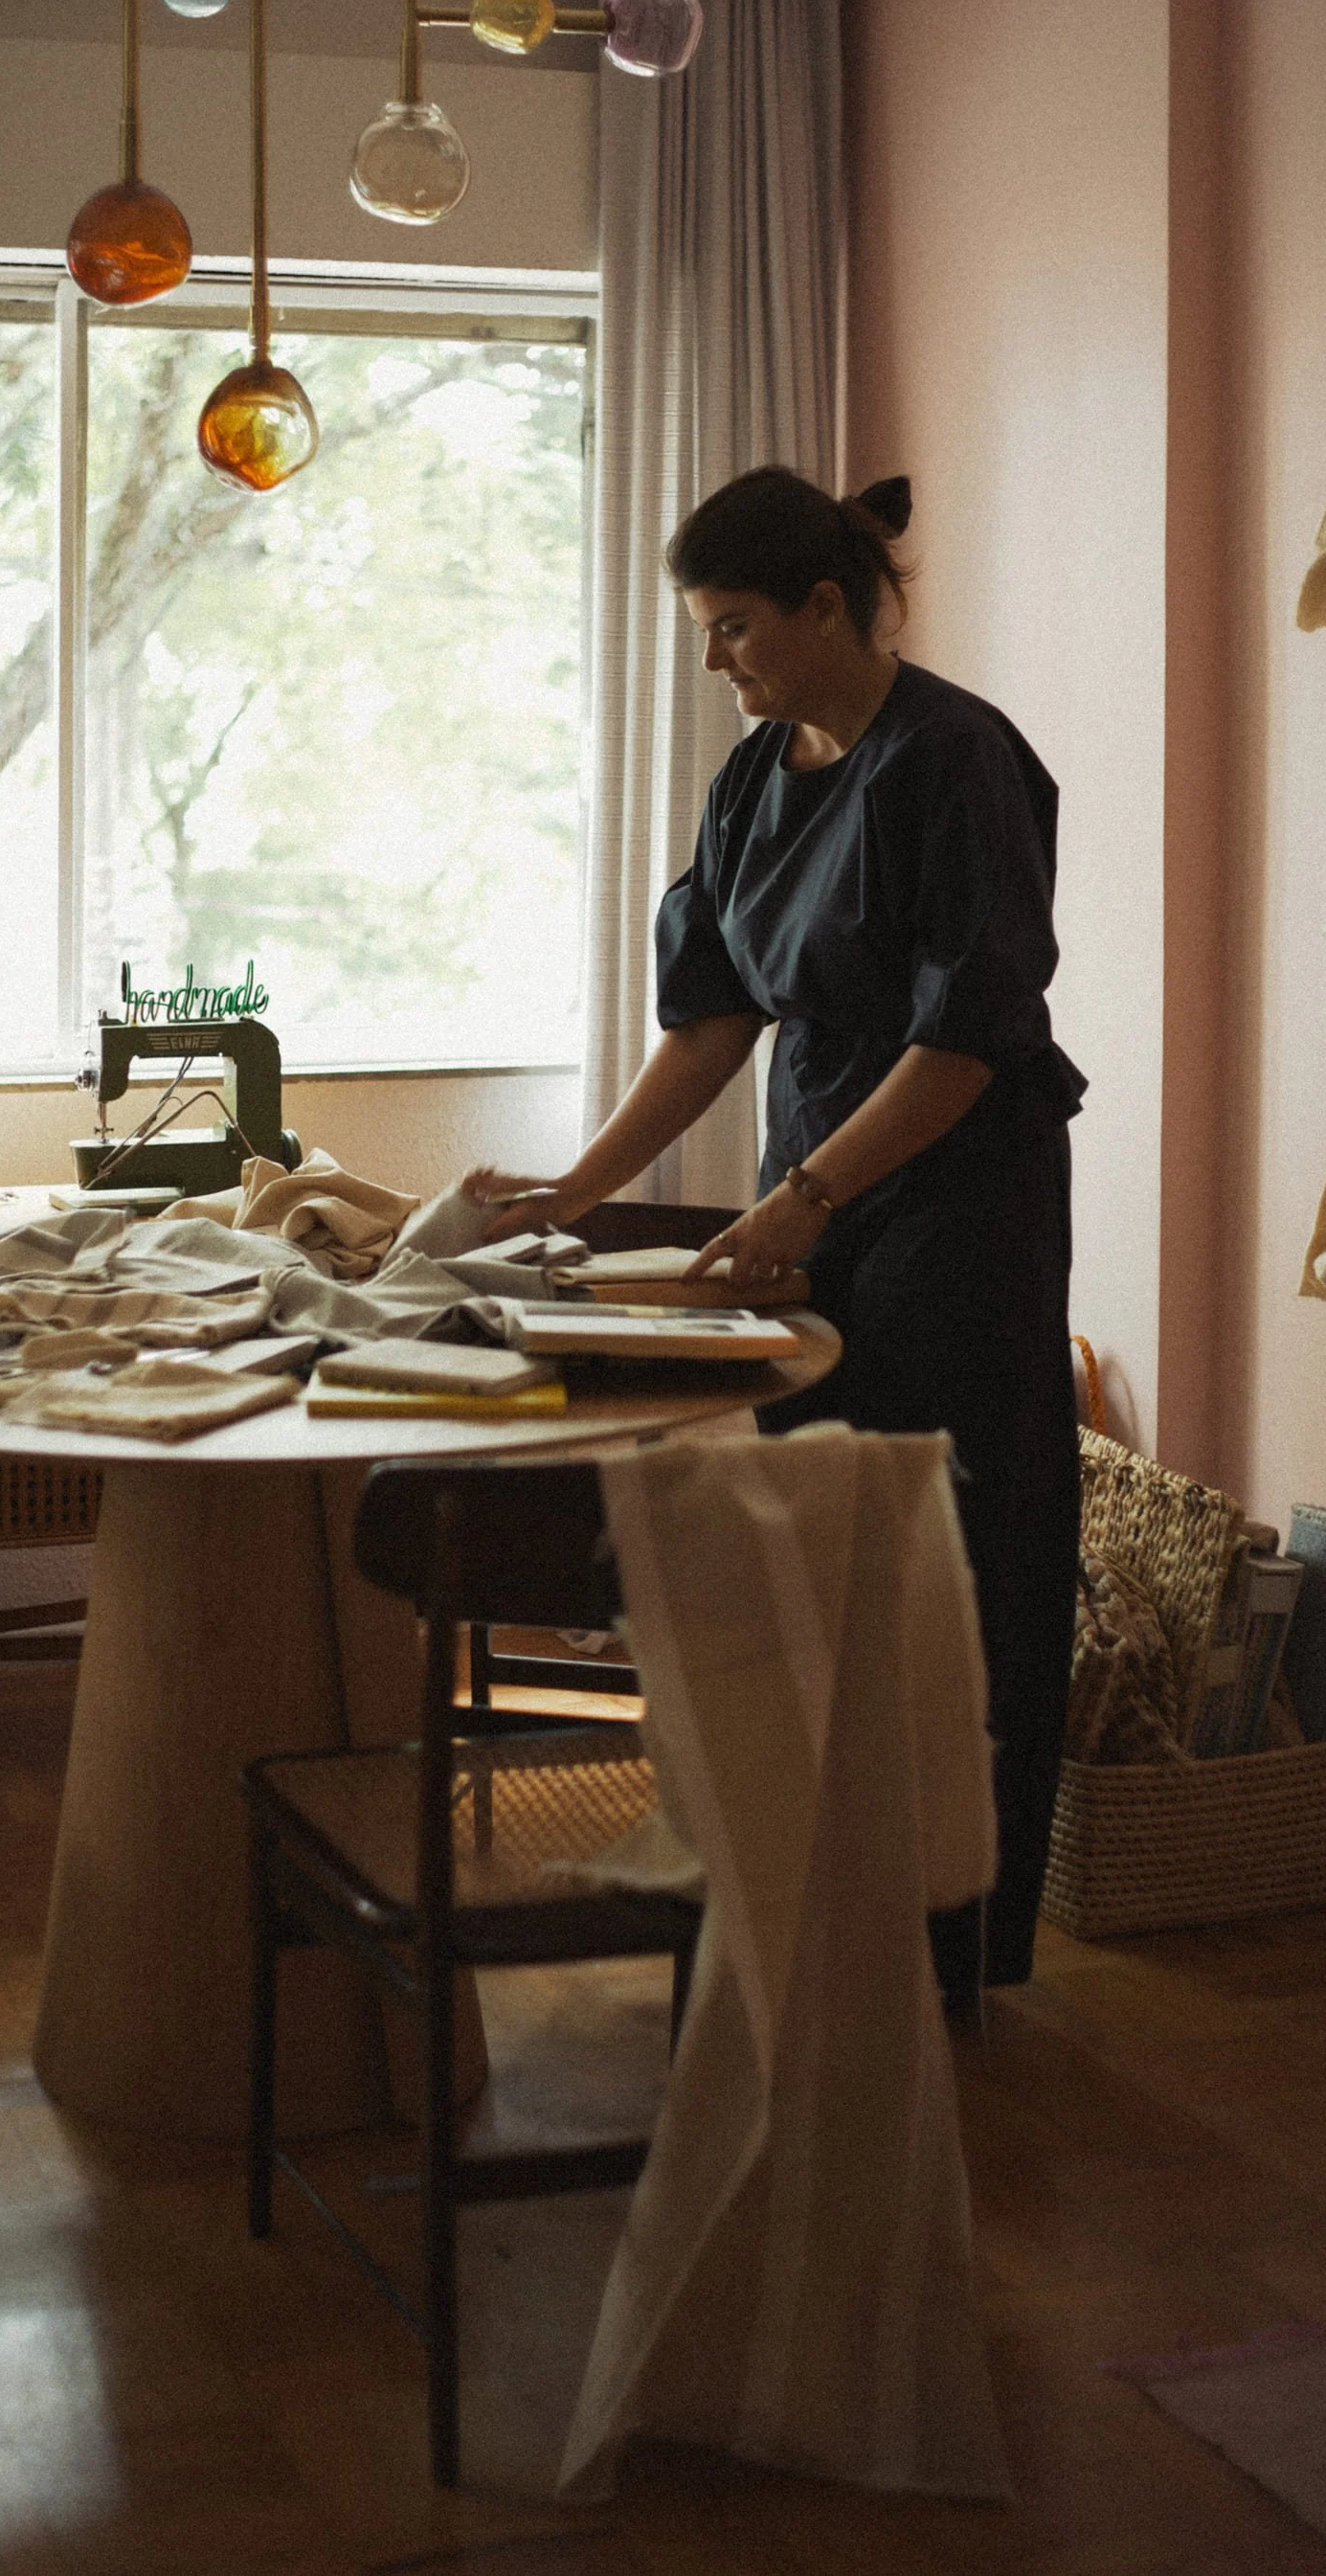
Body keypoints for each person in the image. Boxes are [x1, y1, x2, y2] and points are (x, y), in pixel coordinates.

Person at [466, 465, 1085, 2005]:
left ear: (825, 606)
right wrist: (572, 1191)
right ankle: (817, 1916)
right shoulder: (756, 778)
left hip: (956, 1209)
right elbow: (712, 1022)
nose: (714, 658)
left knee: (945, 1564)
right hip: (815, 1183)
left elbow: (964, 1045)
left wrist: (805, 1197)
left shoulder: (958, 761)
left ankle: (944, 1954)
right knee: (814, 1550)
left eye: (734, 626)